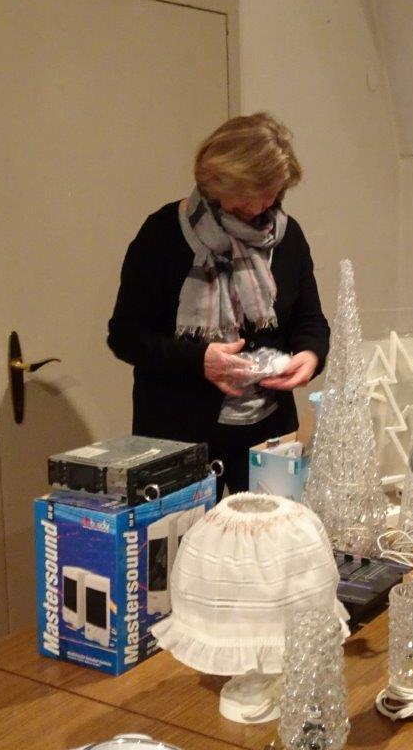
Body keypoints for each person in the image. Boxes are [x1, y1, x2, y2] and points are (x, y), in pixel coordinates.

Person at [108, 113, 329, 498]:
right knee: (185, 538)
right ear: (215, 179)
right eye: (246, 193)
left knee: (271, 536)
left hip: (268, 437)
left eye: (270, 193)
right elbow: (125, 335)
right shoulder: (162, 234)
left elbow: (310, 321)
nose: (258, 205)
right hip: (178, 435)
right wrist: (199, 360)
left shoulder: (286, 236)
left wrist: (310, 356)